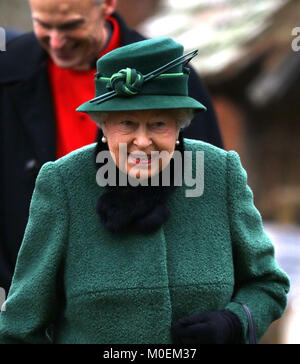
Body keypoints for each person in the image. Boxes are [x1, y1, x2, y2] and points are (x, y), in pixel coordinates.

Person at [0, 38, 289, 344]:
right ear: (104, 123)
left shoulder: (218, 174)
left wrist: (235, 321)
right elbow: (20, 327)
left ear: (179, 124)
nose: (142, 141)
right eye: (127, 123)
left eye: (158, 124)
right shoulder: (64, 184)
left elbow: (268, 284)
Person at [0, 0, 223, 295]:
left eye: (70, 26)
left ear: (106, 4)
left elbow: (206, 193)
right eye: (43, 24)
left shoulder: (170, 75)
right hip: (25, 287)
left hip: (138, 291)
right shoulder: (7, 69)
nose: (56, 41)